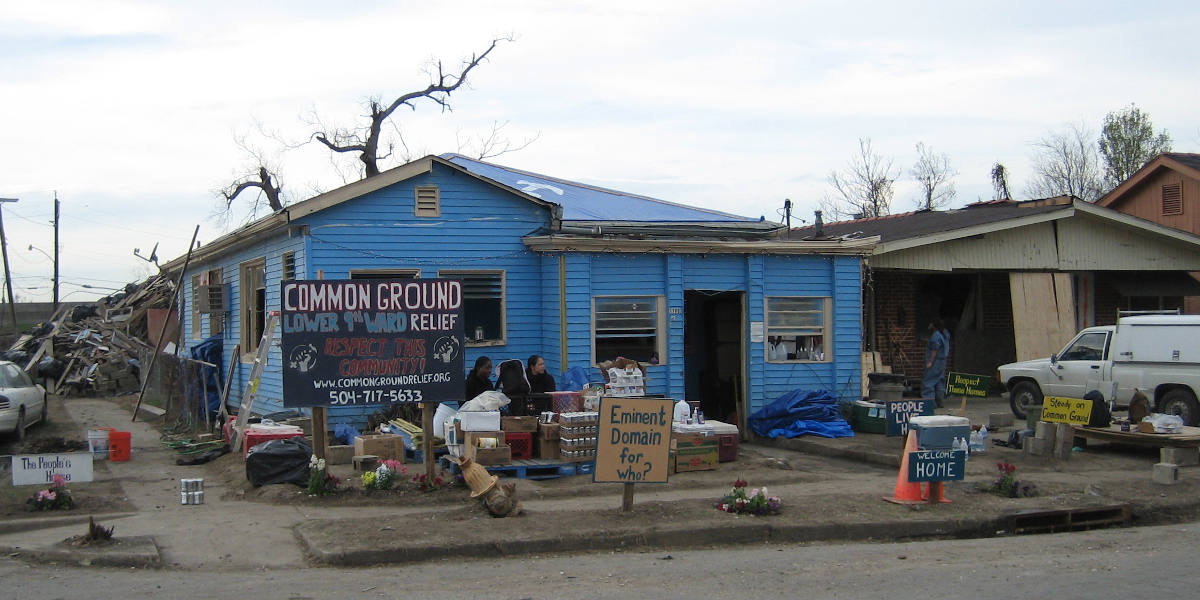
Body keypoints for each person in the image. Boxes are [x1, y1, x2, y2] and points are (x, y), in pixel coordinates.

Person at [922, 318, 951, 408]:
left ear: (933, 325)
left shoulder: (936, 335)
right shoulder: (945, 333)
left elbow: (935, 349)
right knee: (939, 381)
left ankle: (929, 403)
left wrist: (930, 362)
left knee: (928, 381)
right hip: (942, 361)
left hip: (935, 362)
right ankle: (940, 401)